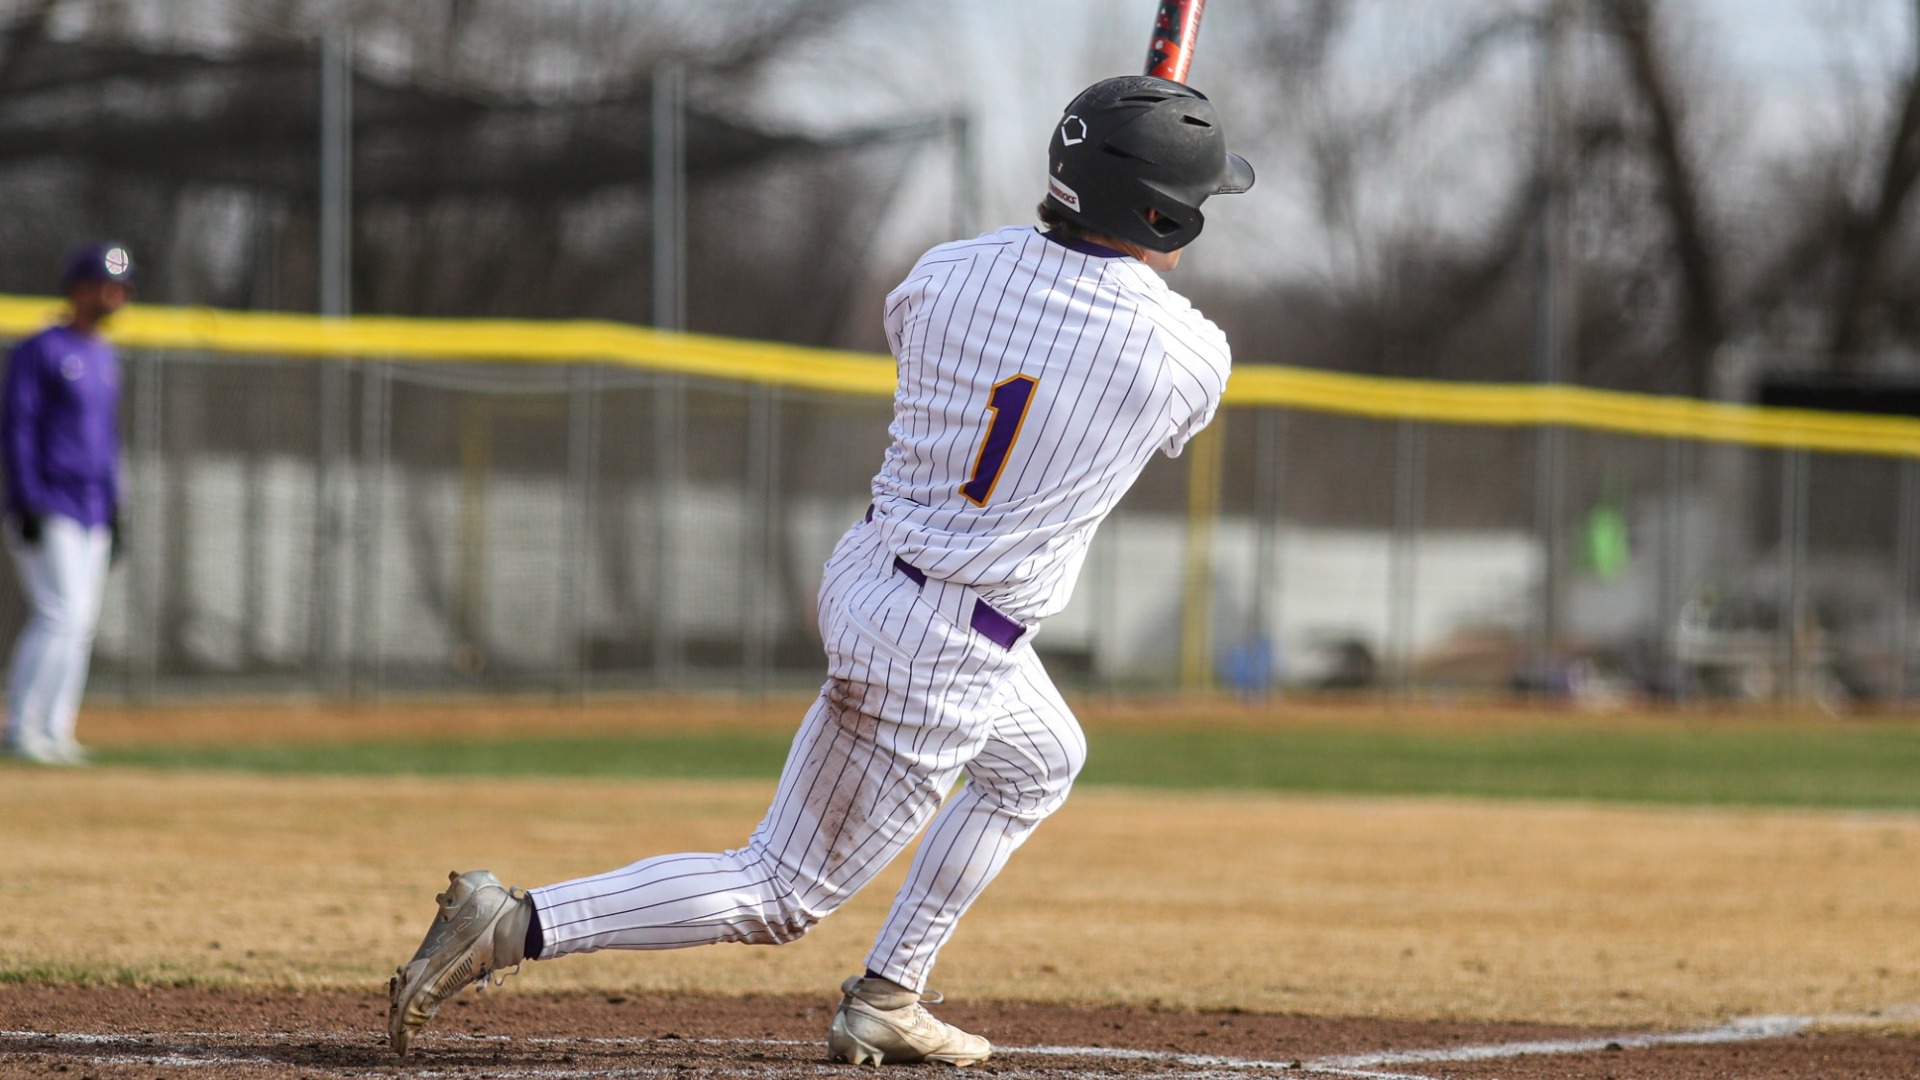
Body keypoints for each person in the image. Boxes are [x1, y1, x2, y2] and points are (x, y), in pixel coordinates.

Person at [387, 74, 1254, 1064]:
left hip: (873, 574)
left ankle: (890, 994)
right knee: (779, 890)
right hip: (944, 648)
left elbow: (966, 325)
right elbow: (1153, 372)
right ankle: (513, 923)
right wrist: (1136, 265)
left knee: (1040, 761)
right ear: (1160, 210)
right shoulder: (1186, 354)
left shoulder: (944, 270)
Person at [0, 242, 133, 767]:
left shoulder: (104, 356)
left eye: (122, 287)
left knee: (82, 621)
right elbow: (19, 428)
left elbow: (107, 440)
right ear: (79, 288)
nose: (116, 295)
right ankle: (18, 726)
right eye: (107, 284)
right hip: (49, 499)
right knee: (60, 613)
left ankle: (56, 728)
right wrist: (26, 498)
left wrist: (118, 507)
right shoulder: (42, 349)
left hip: (94, 504)